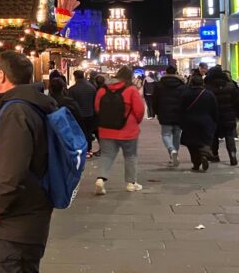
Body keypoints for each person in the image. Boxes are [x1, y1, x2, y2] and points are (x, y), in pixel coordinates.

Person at [0, 50, 56, 273]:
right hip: (26, 219)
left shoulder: (15, 112)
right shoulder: (28, 104)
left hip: (14, 223)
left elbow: (11, 175)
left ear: (0, 76)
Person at [93, 65, 145, 195]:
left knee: (106, 155)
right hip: (128, 130)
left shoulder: (102, 90)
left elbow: (97, 108)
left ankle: (101, 179)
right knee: (130, 156)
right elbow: (139, 110)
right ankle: (131, 183)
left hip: (106, 129)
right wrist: (135, 122)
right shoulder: (131, 90)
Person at [180, 74, 218, 172]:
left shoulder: (185, 93)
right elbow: (214, 109)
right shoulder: (209, 94)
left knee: (191, 143)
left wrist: (181, 121)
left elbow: (180, 108)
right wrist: (214, 121)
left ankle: (196, 163)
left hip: (189, 122)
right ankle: (204, 153)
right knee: (204, 140)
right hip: (205, 120)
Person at [204, 66, 239, 165]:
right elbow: (236, 102)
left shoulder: (207, 87)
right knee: (229, 136)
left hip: (213, 116)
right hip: (228, 115)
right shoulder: (230, 85)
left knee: (214, 136)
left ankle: (215, 155)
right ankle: (232, 155)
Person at [151, 65, 186, 167]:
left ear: (166, 72)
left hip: (164, 112)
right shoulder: (182, 85)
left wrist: (156, 112)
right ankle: (174, 154)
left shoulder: (159, 85)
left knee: (166, 134)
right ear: (176, 72)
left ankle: (171, 150)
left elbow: (155, 100)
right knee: (177, 134)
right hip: (179, 113)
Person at [67, 69, 98, 157]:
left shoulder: (73, 89)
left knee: (78, 133)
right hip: (90, 113)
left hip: (78, 115)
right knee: (88, 132)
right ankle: (88, 150)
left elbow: (70, 103)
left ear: (75, 77)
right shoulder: (92, 87)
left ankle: (80, 149)